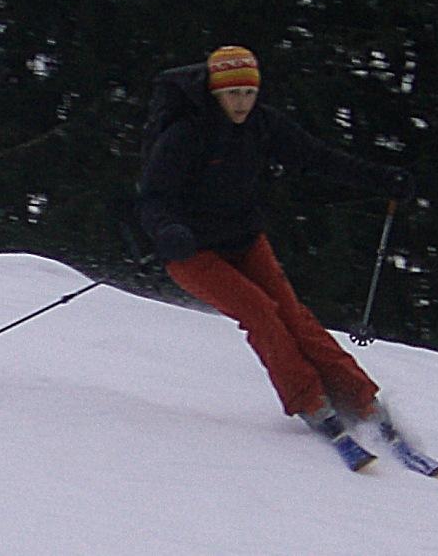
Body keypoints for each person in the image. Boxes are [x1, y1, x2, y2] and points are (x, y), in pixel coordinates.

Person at [137, 45, 414, 442]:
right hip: (192, 251)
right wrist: (167, 230)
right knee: (260, 313)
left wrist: (380, 179)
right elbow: (153, 197)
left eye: (249, 93)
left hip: (245, 241)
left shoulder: (263, 125)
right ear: (215, 92)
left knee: (293, 316)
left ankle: (359, 397)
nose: (242, 103)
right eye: (233, 93)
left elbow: (317, 158)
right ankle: (309, 400)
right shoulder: (186, 134)